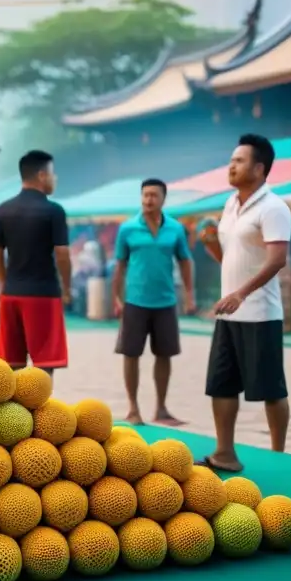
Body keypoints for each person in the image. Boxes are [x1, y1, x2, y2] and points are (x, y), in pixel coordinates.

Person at [199, 134, 291, 473]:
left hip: (261, 314)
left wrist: (242, 293)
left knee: (270, 388)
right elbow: (230, 258)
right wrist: (211, 245)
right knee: (221, 384)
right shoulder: (229, 204)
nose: (231, 165)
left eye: (239, 161)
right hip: (229, 315)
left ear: (259, 168)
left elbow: (277, 260)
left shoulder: (274, 208)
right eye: (231, 160)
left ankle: (278, 454)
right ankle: (225, 452)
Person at [112, 179, 195, 426]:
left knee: (165, 354)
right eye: (145, 195)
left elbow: (185, 261)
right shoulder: (127, 228)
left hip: (166, 301)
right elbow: (120, 266)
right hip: (135, 301)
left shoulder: (175, 229)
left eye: (153, 196)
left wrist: (189, 295)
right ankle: (133, 408)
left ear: (163, 199)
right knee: (131, 354)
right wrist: (117, 297)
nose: (148, 200)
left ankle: (161, 408)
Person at [0, 150, 71, 374]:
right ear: (42, 175)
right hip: (43, 294)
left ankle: (13, 409)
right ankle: (40, 408)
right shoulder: (53, 211)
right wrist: (67, 288)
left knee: (12, 362)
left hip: (12, 293)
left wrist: (4, 282)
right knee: (44, 363)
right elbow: (62, 254)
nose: (55, 179)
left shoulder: (3, 209)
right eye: (53, 174)